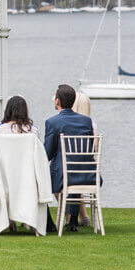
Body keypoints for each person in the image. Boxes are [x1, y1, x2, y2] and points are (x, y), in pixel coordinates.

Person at [43, 84, 95, 233]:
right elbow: (88, 148)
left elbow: (47, 153)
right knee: (74, 166)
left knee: (39, 179)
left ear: (57, 101)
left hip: (63, 176)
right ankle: (72, 219)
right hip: (87, 174)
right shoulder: (86, 121)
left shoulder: (52, 122)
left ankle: (49, 223)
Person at [71, 92, 98, 227]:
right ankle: (83, 216)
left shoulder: (70, 125)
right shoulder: (92, 125)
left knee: (63, 178)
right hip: (91, 173)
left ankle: (69, 217)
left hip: (72, 171)